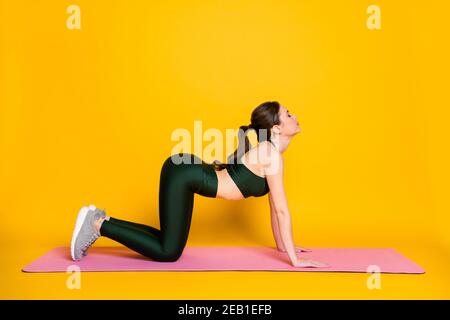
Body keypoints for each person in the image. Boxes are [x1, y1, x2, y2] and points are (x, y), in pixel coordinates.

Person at [70, 101, 329, 268]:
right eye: (288, 114)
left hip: (186, 174)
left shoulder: (271, 153)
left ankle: (100, 219)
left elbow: (275, 208)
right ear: (276, 129)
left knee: (168, 244)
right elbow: (282, 210)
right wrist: (296, 261)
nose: (294, 115)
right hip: (184, 175)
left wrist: (284, 247)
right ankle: (96, 224)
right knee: (169, 252)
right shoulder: (271, 154)